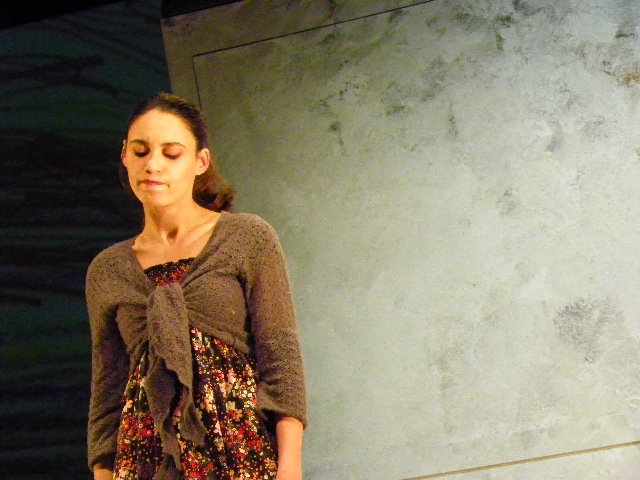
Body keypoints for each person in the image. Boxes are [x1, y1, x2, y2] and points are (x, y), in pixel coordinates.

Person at [86, 92, 307, 480]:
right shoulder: (108, 270)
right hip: (148, 458)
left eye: (171, 153)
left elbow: (280, 357)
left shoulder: (246, 237)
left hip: (241, 450)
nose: (153, 164)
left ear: (200, 162)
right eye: (140, 151)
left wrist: (290, 465)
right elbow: (108, 388)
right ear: (124, 155)